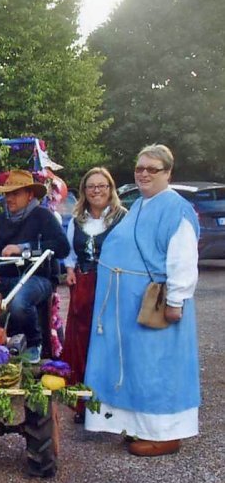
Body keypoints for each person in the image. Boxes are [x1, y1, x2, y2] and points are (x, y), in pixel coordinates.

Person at [85, 145, 200, 457]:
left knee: (157, 367)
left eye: (153, 169)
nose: (144, 174)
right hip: (128, 307)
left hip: (156, 306)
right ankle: (139, 426)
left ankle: (167, 434)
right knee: (136, 367)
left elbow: (183, 259)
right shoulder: (141, 204)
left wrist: (176, 301)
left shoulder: (176, 209)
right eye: (140, 168)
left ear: (168, 173)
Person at [0, 170, 71, 363]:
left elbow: (62, 247)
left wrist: (23, 248)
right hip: (1, 278)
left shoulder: (44, 217)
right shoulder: (0, 220)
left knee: (19, 303)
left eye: (15, 193)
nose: (9, 198)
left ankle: (34, 344)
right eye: (7, 194)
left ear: (30, 195)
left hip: (37, 278)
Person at [62, 167, 126, 423]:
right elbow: (69, 253)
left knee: (110, 342)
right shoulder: (77, 219)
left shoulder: (123, 218)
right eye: (91, 187)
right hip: (84, 285)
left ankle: (113, 404)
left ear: (110, 189)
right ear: (84, 191)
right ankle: (84, 404)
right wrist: (69, 270)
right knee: (82, 343)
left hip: (112, 285)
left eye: (102, 186)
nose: (96, 191)